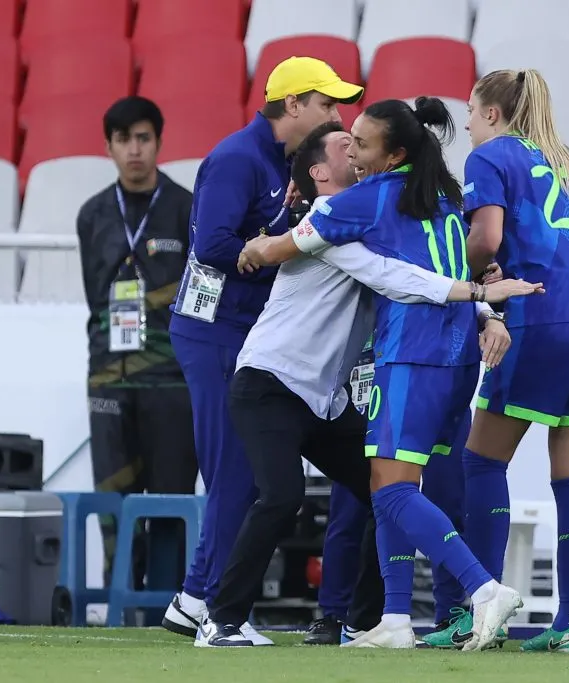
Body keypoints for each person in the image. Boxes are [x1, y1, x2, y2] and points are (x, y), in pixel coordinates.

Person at [197, 122, 536, 647]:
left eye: (358, 143)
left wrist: (487, 307)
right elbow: (394, 276)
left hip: (322, 399)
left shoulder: (360, 219)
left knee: (383, 487)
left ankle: (378, 620)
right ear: (318, 173)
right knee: (285, 497)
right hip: (270, 382)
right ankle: (220, 620)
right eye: (342, 146)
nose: (352, 151)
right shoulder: (326, 227)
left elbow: (422, 257)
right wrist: (477, 295)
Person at [161, 57, 364, 645]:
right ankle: (213, 606)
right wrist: (277, 247)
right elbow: (214, 244)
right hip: (217, 331)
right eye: (328, 104)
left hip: (248, 334)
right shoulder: (236, 159)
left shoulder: (284, 164)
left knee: (241, 475)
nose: (338, 115)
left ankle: (198, 598)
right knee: (237, 474)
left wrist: (281, 241)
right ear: (294, 104)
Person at [442, 68, 569, 653]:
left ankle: (483, 612)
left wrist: (460, 276)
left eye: (473, 114)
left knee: (481, 462)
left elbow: (488, 238)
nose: (470, 125)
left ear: (495, 115)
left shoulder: (491, 158)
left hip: (542, 316)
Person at [76, 96, 198, 606]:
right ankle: (118, 607)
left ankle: (166, 608)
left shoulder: (186, 207)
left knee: (169, 504)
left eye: (143, 138)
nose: (134, 150)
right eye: (124, 140)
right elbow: (93, 294)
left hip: (171, 378)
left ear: (158, 142)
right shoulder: (93, 215)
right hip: (109, 379)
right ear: (108, 147)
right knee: (113, 502)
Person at [309, 417, 469, 646]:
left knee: (447, 504)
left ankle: (449, 613)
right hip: (373, 404)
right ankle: (335, 615)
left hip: (441, 401)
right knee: (351, 511)